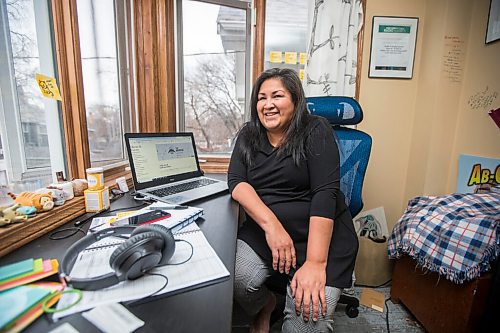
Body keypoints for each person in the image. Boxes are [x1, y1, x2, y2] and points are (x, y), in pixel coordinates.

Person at [228, 68, 358, 333]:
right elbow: (237, 183)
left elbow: (325, 194)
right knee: (237, 278)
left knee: (305, 325)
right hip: (268, 232)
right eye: (261, 98)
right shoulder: (248, 135)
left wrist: (315, 264)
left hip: (320, 239)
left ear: (296, 101)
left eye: (277, 96)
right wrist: (272, 227)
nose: (268, 104)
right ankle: (266, 306)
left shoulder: (315, 129)